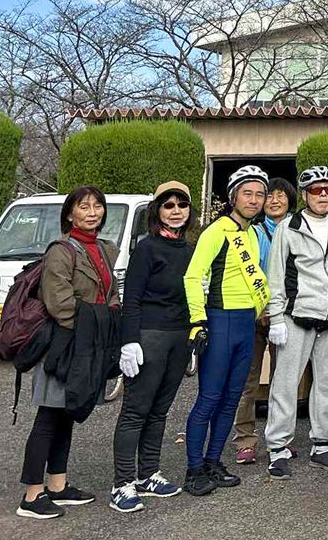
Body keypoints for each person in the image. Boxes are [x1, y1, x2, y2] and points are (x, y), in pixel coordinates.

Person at [15, 186, 122, 520]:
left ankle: (58, 487)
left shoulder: (105, 249)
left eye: (98, 206)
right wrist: (102, 320)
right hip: (63, 345)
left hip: (88, 344)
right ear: (70, 214)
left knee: (66, 414)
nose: (92, 212)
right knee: (48, 416)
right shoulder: (61, 250)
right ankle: (32, 495)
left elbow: (112, 294)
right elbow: (59, 304)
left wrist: (110, 318)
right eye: (84, 206)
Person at [263, 165, 328, 479]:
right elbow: (275, 275)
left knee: (327, 384)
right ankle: (278, 448)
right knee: (286, 385)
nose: (322, 195)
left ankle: (321, 444)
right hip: (295, 316)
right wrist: (276, 316)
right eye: (316, 190)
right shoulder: (288, 228)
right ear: (305, 195)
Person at [184, 165, 271, 497]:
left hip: (246, 323)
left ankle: (213, 460)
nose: (254, 199)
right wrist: (198, 321)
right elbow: (193, 277)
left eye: (259, 194)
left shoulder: (252, 233)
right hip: (219, 321)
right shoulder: (216, 231)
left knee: (232, 397)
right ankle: (194, 469)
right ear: (233, 196)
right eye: (247, 193)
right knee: (209, 398)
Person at [110, 182, 194, 513]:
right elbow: (130, 297)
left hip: (178, 336)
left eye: (182, 204)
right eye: (168, 205)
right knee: (135, 410)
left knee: (160, 410)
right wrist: (129, 341)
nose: (175, 210)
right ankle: (123, 483)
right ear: (157, 210)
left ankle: (148, 473)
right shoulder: (146, 248)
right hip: (149, 336)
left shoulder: (189, 250)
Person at [232, 176, 292, 465]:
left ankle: (279, 439)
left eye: (281, 196)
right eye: (270, 196)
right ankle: (245, 439)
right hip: (254, 315)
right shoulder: (251, 233)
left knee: (284, 380)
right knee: (248, 379)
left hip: (287, 317)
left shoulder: (298, 231)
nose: (275, 201)